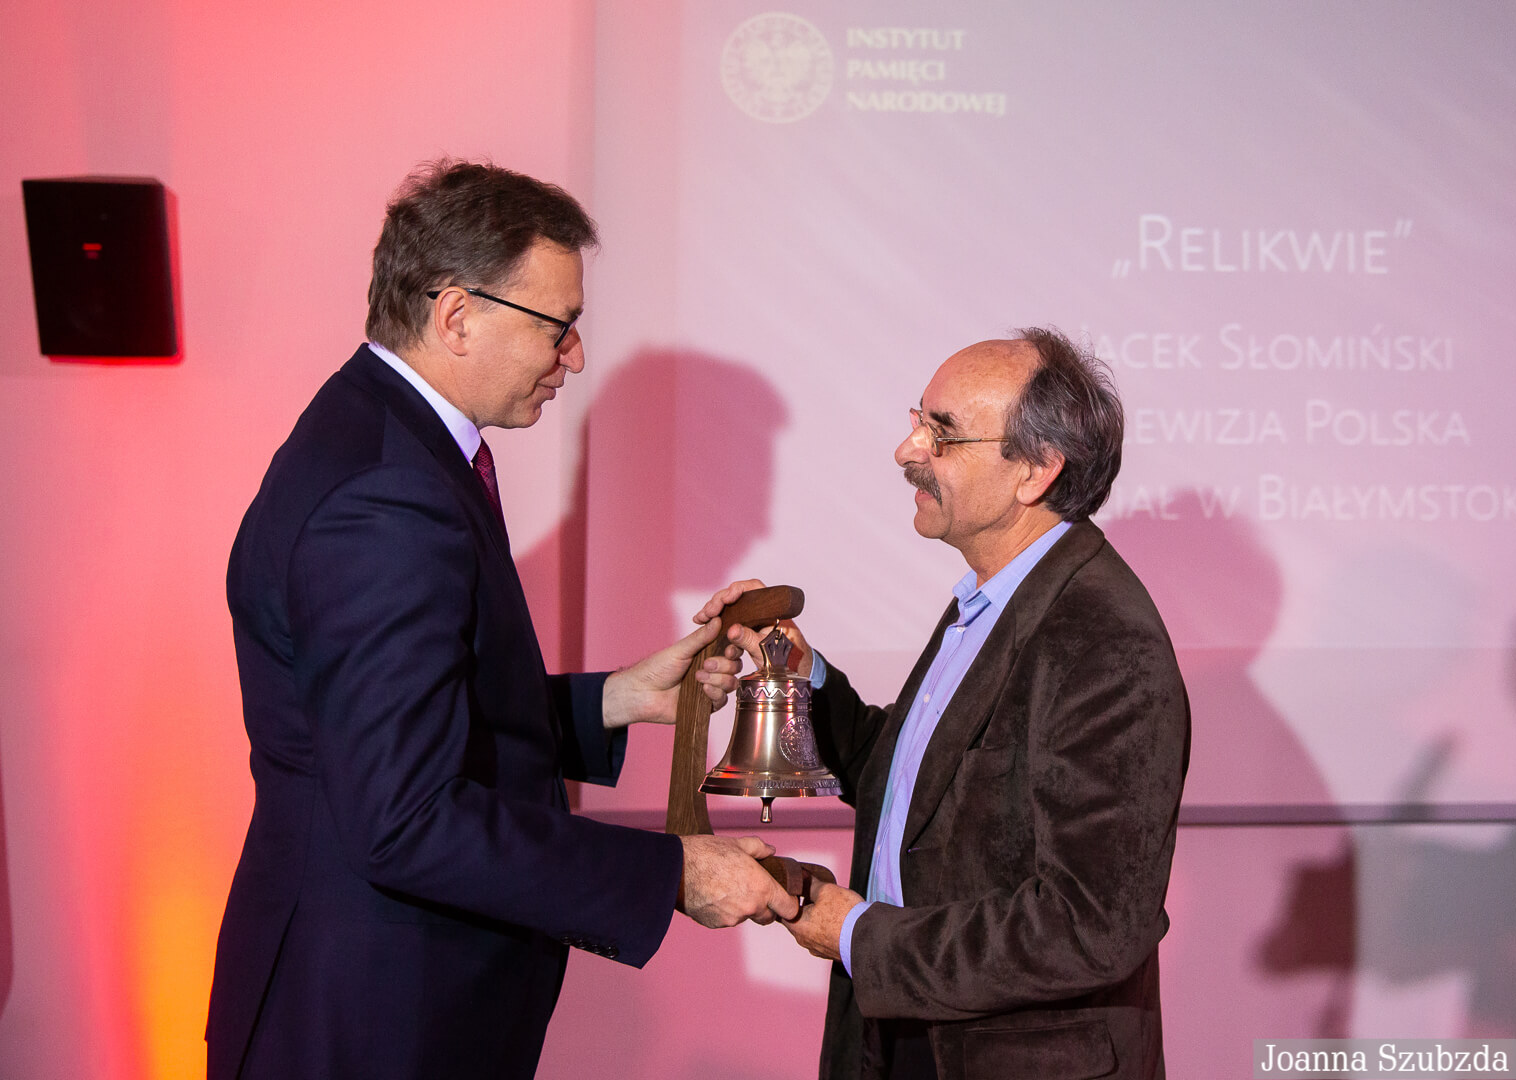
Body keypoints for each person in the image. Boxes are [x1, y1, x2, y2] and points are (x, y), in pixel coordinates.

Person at [206, 160, 797, 1080]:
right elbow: (405, 816)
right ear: (457, 315)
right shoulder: (386, 494)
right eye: (558, 327)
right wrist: (674, 874)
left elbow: (409, 724)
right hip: (373, 1020)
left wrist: (620, 698)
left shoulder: (385, 439)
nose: (574, 357)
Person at [703, 329, 1190, 1079]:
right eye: (917, 420)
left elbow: (1092, 925)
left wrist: (860, 936)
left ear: (1036, 470)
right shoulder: (995, 598)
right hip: (910, 1038)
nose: (907, 450)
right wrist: (802, 675)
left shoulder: (1102, 635)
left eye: (943, 432)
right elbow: (917, 788)